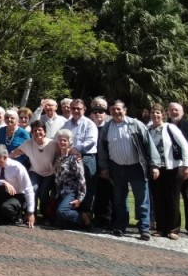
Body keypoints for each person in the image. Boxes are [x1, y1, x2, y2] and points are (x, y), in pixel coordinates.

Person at [97, 100, 160, 240]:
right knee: (119, 199)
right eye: (113, 109)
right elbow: (102, 149)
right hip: (116, 167)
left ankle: (144, 228)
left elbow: (149, 144)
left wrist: (154, 165)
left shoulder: (135, 124)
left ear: (125, 110)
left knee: (142, 199)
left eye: (118, 109)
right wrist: (104, 167)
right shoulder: (107, 127)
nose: (116, 112)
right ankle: (121, 226)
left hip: (136, 167)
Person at [147, 104, 188, 239]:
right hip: (155, 169)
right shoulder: (148, 129)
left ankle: (173, 229)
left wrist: (187, 165)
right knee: (158, 198)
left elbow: (184, 146)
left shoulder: (170, 127)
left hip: (172, 168)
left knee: (172, 198)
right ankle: (161, 228)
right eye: (153, 113)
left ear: (163, 115)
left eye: (158, 113)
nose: (155, 115)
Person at [9, 120, 56, 218]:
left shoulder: (53, 143)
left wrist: (75, 152)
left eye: (40, 130)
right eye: (35, 131)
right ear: (32, 133)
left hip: (50, 173)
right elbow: (16, 152)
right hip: (35, 171)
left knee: (43, 193)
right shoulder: (28, 144)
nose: (37, 132)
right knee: (33, 190)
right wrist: (5, 158)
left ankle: (48, 214)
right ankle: (31, 214)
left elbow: (65, 150)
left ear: (45, 132)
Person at [0, 144, 35, 227]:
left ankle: (18, 217)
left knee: (6, 207)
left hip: (18, 195)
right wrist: (4, 182)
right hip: (4, 193)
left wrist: (30, 212)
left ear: (5, 157)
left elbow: (28, 189)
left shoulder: (17, 167)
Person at [62, 98, 99, 213]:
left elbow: (91, 141)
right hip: (70, 159)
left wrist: (76, 149)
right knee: (73, 186)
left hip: (87, 157)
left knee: (87, 186)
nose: (76, 111)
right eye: (73, 108)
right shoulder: (66, 124)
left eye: (78, 108)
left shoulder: (89, 124)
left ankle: (86, 214)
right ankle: (73, 213)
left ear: (84, 109)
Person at [166, 102, 188, 236]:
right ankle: (173, 226)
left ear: (182, 112)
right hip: (170, 167)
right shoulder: (165, 126)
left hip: (187, 166)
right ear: (167, 112)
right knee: (172, 197)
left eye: (176, 110)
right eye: (171, 110)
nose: (174, 112)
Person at [53, 129, 90, 229]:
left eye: (65, 140)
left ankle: (83, 216)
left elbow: (81, 178)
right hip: (61, 192)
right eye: (60, 140)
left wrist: (79, 198)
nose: (62, 142)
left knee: (62, 212)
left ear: (70, 142)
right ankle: (77, 223)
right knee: (59, 221)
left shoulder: (74, 158)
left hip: (71, 191)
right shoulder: (58, 158)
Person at [90, 96, 113, 228]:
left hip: (106, 164)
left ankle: (107, 219)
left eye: (101, 111)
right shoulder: (89, 125)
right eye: (95, 111)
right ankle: (96, 217)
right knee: (96, 192)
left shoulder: (109, 126)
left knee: (107, 193)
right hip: (93, 163)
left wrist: (105, 166)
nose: (97, 114)